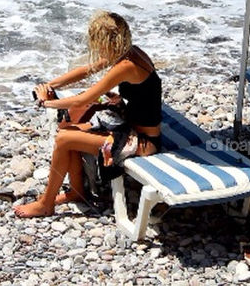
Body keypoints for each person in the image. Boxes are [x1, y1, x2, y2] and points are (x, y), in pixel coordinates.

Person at [13, 11, 162, 218]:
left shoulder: (126, 66)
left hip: (143, 143)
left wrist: (46, 102)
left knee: (64, 138)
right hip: (130, 125)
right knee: (68, 126)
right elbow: (87, 70)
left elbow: (82, 99)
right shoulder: (130, 52)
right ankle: (76, 191)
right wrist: (50, 84)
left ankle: (46, 204)